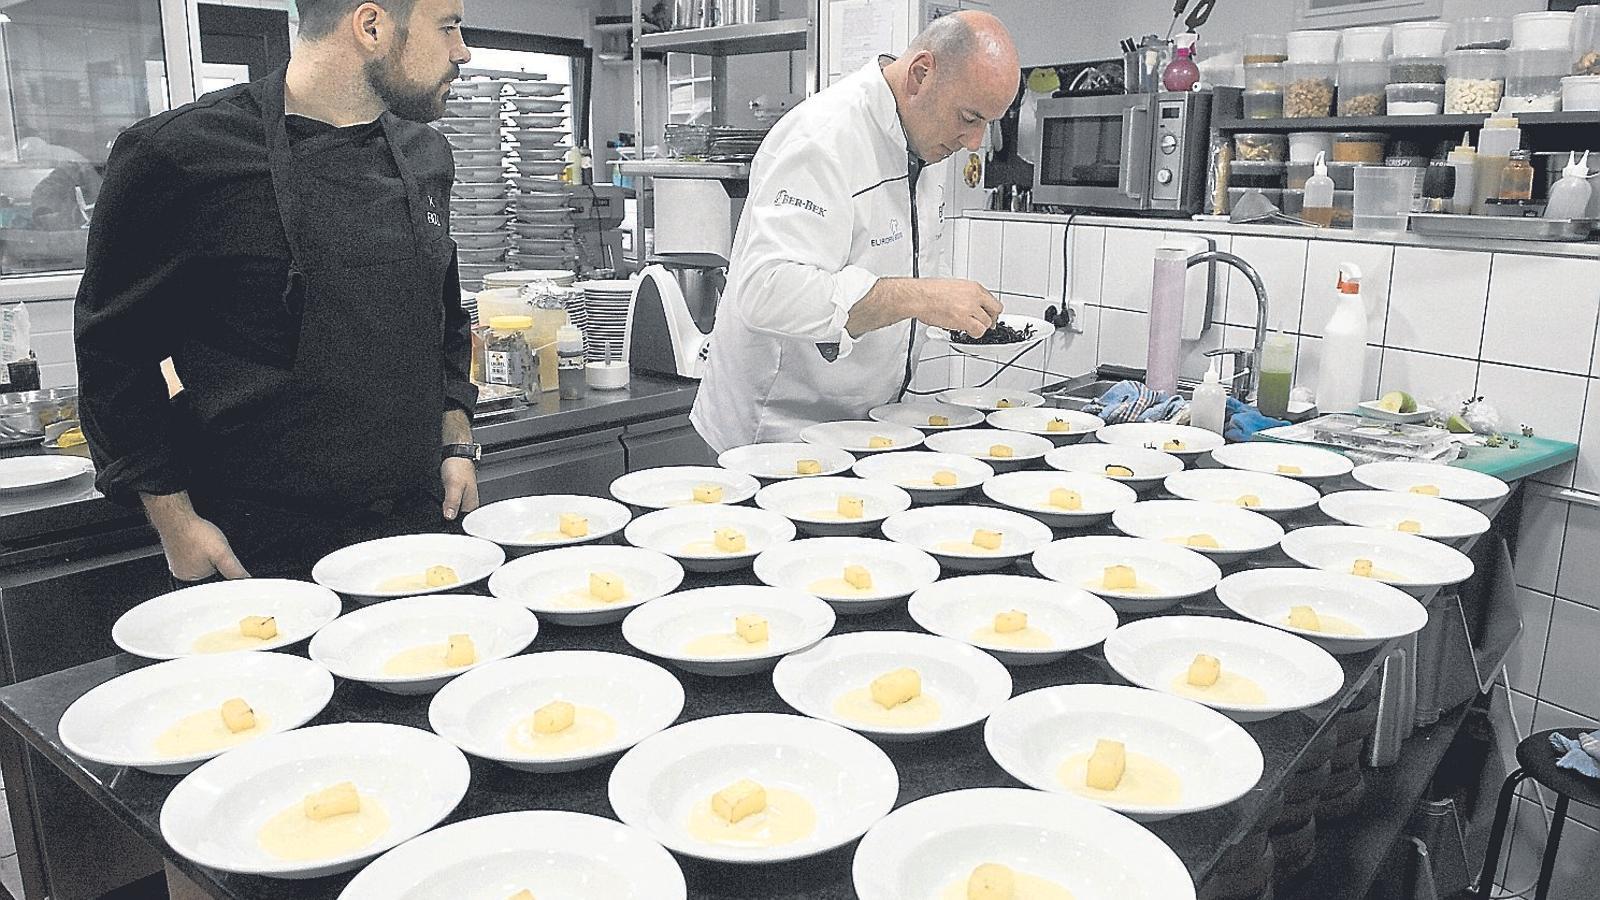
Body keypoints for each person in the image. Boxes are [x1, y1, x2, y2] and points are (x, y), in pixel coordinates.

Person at [75, 0, 480, 584]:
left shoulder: (425, 155)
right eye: (448, 27)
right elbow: (112, 354)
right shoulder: (179, 154)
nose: (461, 50)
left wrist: (456, 436)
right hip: (258, 550)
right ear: (371, 27)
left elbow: (441, 317)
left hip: (417, 527)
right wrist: (174, 520)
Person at [690, 11, 1020, 453]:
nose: (975, 141)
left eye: (986, 124)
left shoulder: (924, 139)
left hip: (865, 429)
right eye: (969, 117)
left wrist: (948, 315)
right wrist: (924, 297)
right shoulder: (824, 138)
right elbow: (766, 291)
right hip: (776, 436)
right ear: (921, 74)